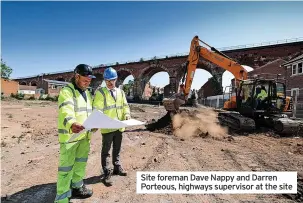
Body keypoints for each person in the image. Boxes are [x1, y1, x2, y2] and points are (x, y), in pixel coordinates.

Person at [54, 64, 96, 203]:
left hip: (84, 136)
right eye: (85, 79)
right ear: (77, 76)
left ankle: (77, 187)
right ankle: (62, 199)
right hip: (70, 137)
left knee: (80, 163)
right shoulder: (67, 91)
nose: (88, 82)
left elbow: (88, 113)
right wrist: (71, 123)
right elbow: (66, 109)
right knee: (66, 169)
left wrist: (94, 124)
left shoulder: (87, 93)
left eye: (90, 79)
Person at [92, 67, 131, 187]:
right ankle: (107, 172)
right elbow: (97, 109)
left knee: (117, 149)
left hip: (119, 127)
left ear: (116, 79)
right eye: (107, 80)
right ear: (104, 80)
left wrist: (127, 114)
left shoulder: (121, 92)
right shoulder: (100, 92)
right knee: (106, 151)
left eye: (112, 80)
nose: (110, 82)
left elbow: (125, 105)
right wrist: (97, 122)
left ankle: (117, 167)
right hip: (107, 128)